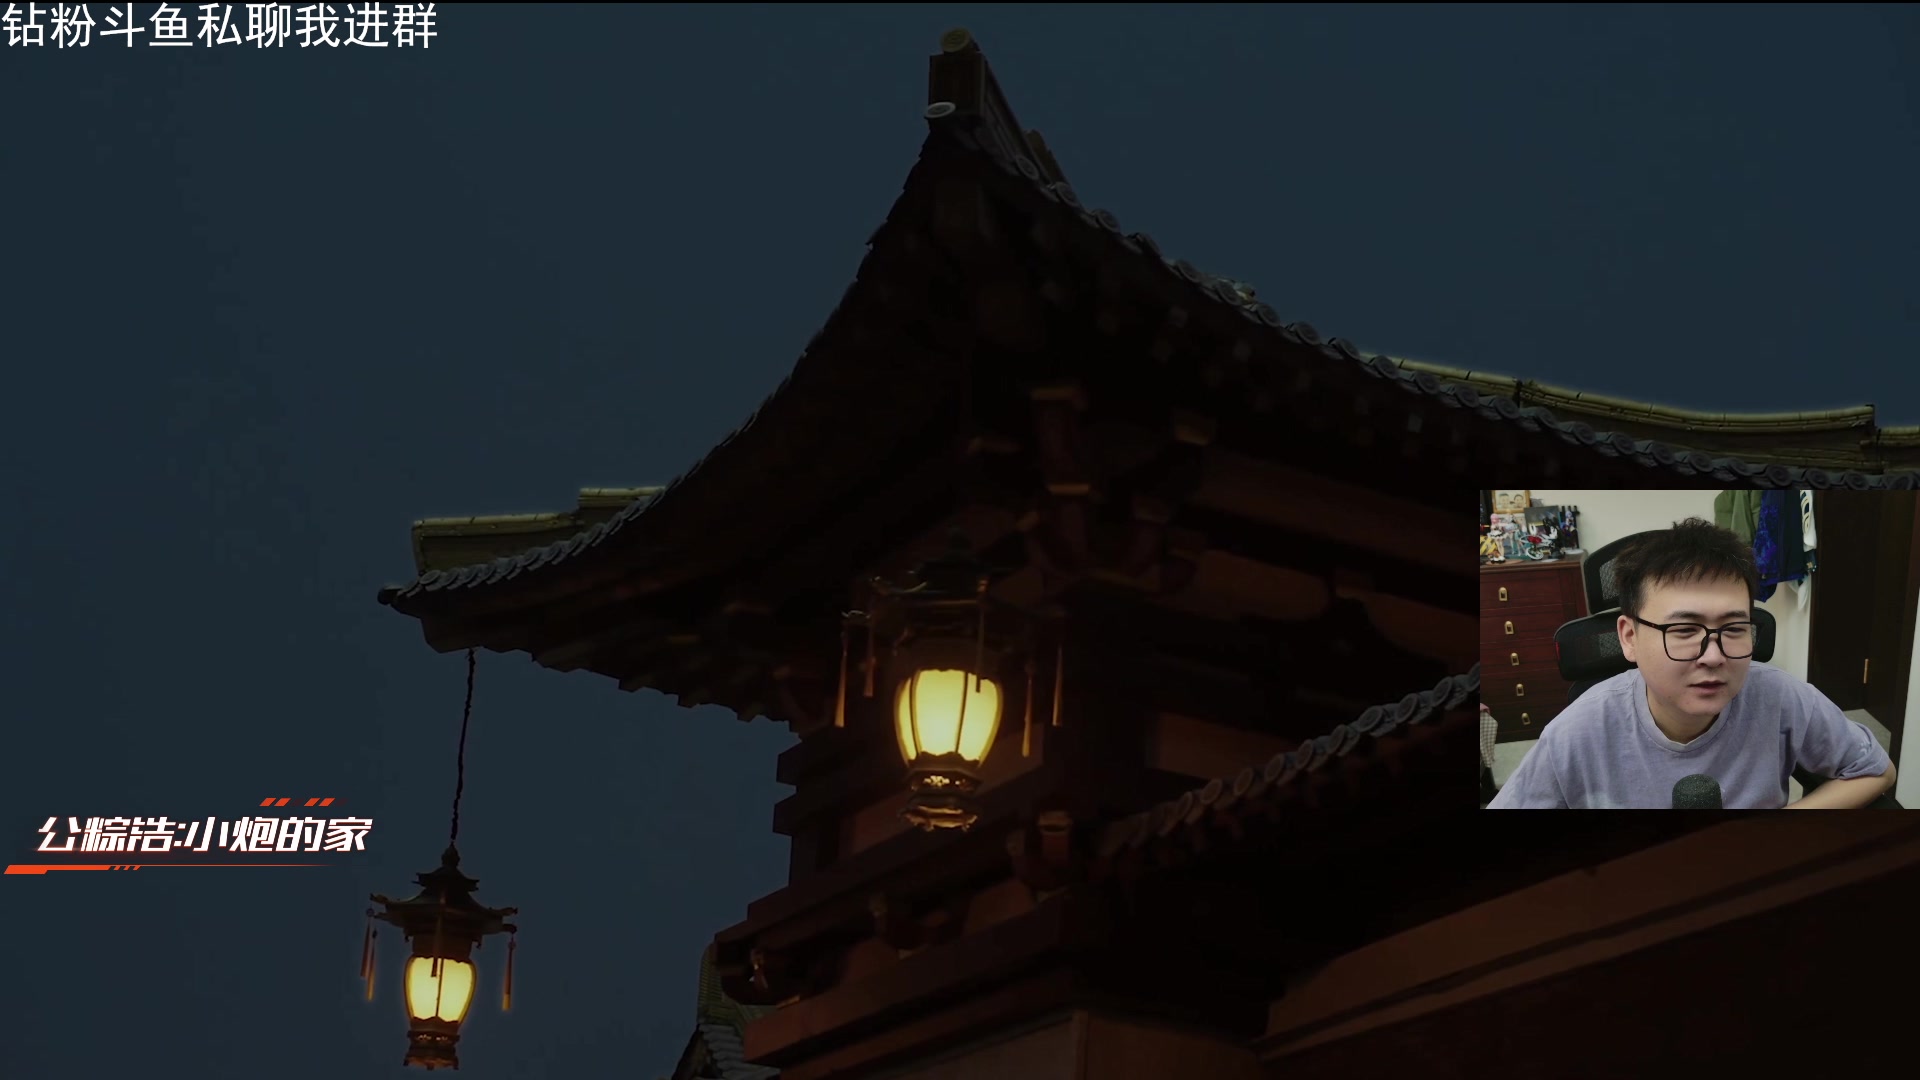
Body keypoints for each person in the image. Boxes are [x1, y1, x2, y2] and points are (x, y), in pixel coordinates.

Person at [1488, 517, 1896, 809]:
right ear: (1629, 637)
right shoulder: (1577, 732)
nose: (1714, 656)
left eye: (1734, 628)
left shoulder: (1780, 698)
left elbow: (1877, 770)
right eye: (1683, 630)